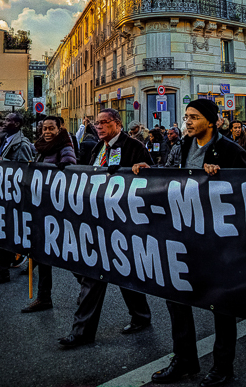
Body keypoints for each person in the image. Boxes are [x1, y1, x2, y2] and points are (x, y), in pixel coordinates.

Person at [133, 99, 246, 386]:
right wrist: (147, 169)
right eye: (186, 117)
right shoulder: (182, 146)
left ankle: (223, 368)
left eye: (194, 117)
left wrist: (221, 176)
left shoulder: (230, 151)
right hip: (182, 236)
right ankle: (184, 359)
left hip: (218, 240)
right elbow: (168, 175)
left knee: (222, 305)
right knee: (176, 297)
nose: (187, 121)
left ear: (211, 121)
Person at [58, 108, 153, 349]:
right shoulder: (97, 148)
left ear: (117, 124)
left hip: (123, 221)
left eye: (104, 123)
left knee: (122, 273)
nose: (99, 127)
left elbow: (151, 179)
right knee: (94, 274)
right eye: (97, 123)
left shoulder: (133, 146)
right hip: (98, 221)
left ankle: (138, 317)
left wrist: (142, 170)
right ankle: (83, 331)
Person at [21, 116, 76, 313]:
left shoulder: (65, 148)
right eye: (44, 128)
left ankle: (87, 284)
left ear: (59, 129)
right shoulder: (41, 148)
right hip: (42, 208)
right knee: (43, 252)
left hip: (57, 209)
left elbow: (68, 172)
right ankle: (44, 297)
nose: (47, 132)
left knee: (67, 252)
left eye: (51, 128)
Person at [0, 113, 32, 285]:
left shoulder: (22, 144)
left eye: (9, 120)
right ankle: (12, 263)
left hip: (14, 195)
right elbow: (0, 161)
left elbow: (25, 170)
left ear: (17, 124)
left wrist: (5, 162)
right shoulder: (5, 141)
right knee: (9, 232)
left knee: (8, 232)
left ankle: (4, 271)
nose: (6, 122)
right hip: (5, 193)